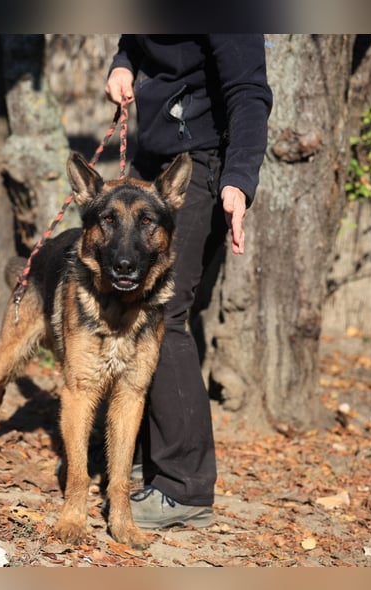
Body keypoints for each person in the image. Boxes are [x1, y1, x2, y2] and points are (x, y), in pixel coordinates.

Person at [104, 35, 273, 529]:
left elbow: (249, 93)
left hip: (203, 163)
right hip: (152, 156)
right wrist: (122, 65)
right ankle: (137, 456)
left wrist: (239, 179)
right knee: (124, 304)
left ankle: (185, 486)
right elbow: (133, 44)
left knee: (166, 312)